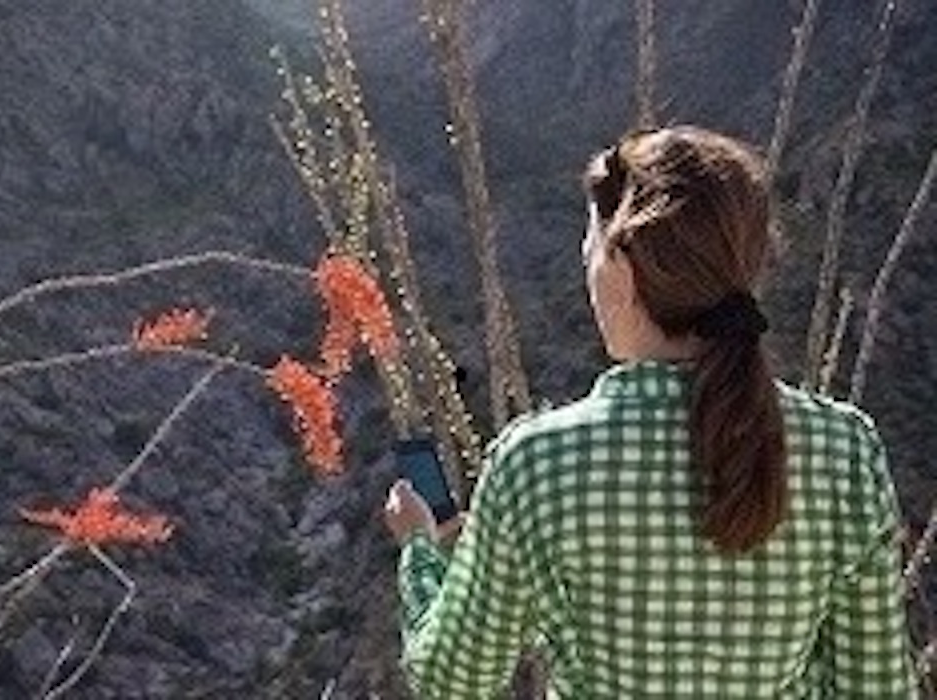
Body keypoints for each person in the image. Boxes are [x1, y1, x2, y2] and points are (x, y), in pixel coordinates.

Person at [383, 125, 916, 698]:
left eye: (591, 246)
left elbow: (453, 681)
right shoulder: (845, 452)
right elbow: (878, 686)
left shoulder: (536, 464)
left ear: (620, 267)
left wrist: (421, 551)